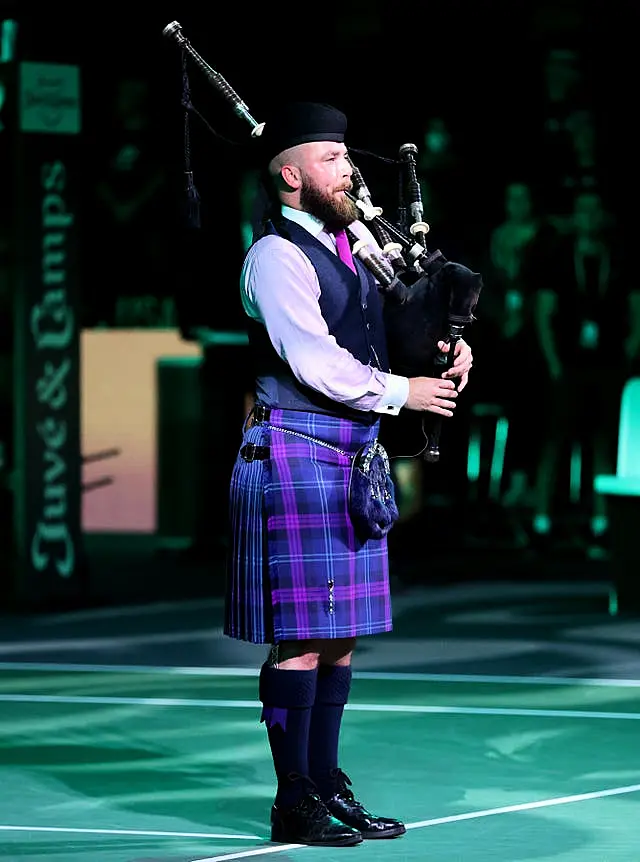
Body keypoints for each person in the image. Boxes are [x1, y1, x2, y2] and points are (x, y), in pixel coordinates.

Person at [223, 102, 474, 847]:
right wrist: (404, 392)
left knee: (340, 637)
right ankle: (291, 798)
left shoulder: (348, 248)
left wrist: (443, 354)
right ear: (290, 175)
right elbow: (314, 360)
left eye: (346, 156)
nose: (349, 169)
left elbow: (392, 329)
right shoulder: (275, 257)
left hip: (350, 454)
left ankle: (326, 782)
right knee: (301, 638)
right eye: (331, 159)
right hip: (297, 450)